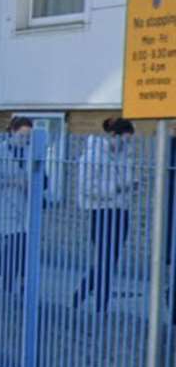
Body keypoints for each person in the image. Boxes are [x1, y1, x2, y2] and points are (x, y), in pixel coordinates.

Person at [74, 117, 136, 313]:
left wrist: (131, 185)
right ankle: (98, 303)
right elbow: (86, 187)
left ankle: (85, 296)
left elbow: (130, 180)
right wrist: (116, 188)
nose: (126, 144)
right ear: (113, 135)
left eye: (129, 140)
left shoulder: (125, 157)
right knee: (105, 261)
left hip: (121, 211)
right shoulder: (92, 156)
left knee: (110, 261)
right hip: (101, 212)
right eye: (124, 139)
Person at [0, 117, 34, 293]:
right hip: (4, 204)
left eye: (28, 136)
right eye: (21, 135)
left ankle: (12, 282)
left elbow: (42, 179)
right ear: (12, 131)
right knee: (15, 240)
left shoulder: (31, 151)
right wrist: (12, 181)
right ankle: (0, 275)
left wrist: (31, 183)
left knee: (23, 244)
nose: (24, 140)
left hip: (24, 205)